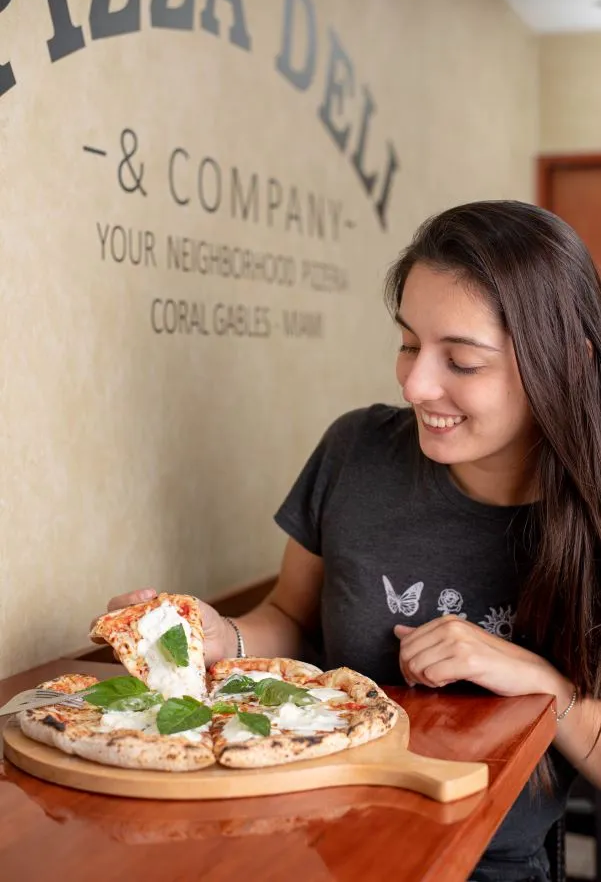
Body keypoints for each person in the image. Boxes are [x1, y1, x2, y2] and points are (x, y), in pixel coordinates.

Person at [102, 200, 601, 882]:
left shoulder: (590, 513)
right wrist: (224, 639)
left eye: (460, 360)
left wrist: (541, 683)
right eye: (407, 343)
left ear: (568, 363)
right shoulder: (355, 452)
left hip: (487, 862)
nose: (415, 382)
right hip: (309, 829)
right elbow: (290, 618)